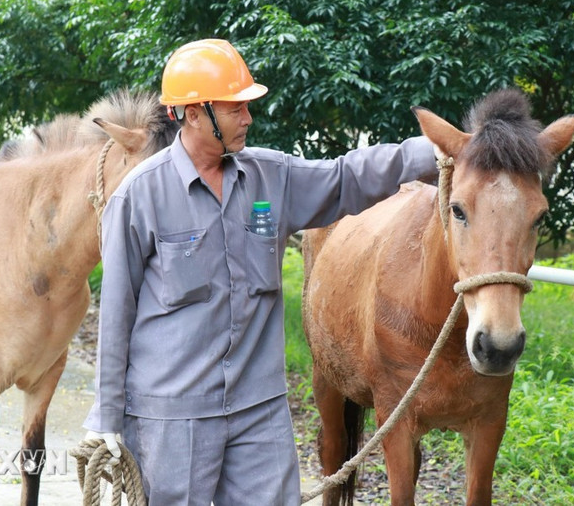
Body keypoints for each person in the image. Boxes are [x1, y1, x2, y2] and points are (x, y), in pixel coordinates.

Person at [83, 38, 441, 505]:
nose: (249, 118)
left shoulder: (271, 178)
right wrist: (108, 418)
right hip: (172, 418)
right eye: (236, 108)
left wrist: (440, 147)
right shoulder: (139, 198)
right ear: (194, 113)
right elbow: (115, 316)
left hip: (258, 412)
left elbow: (347, 176)